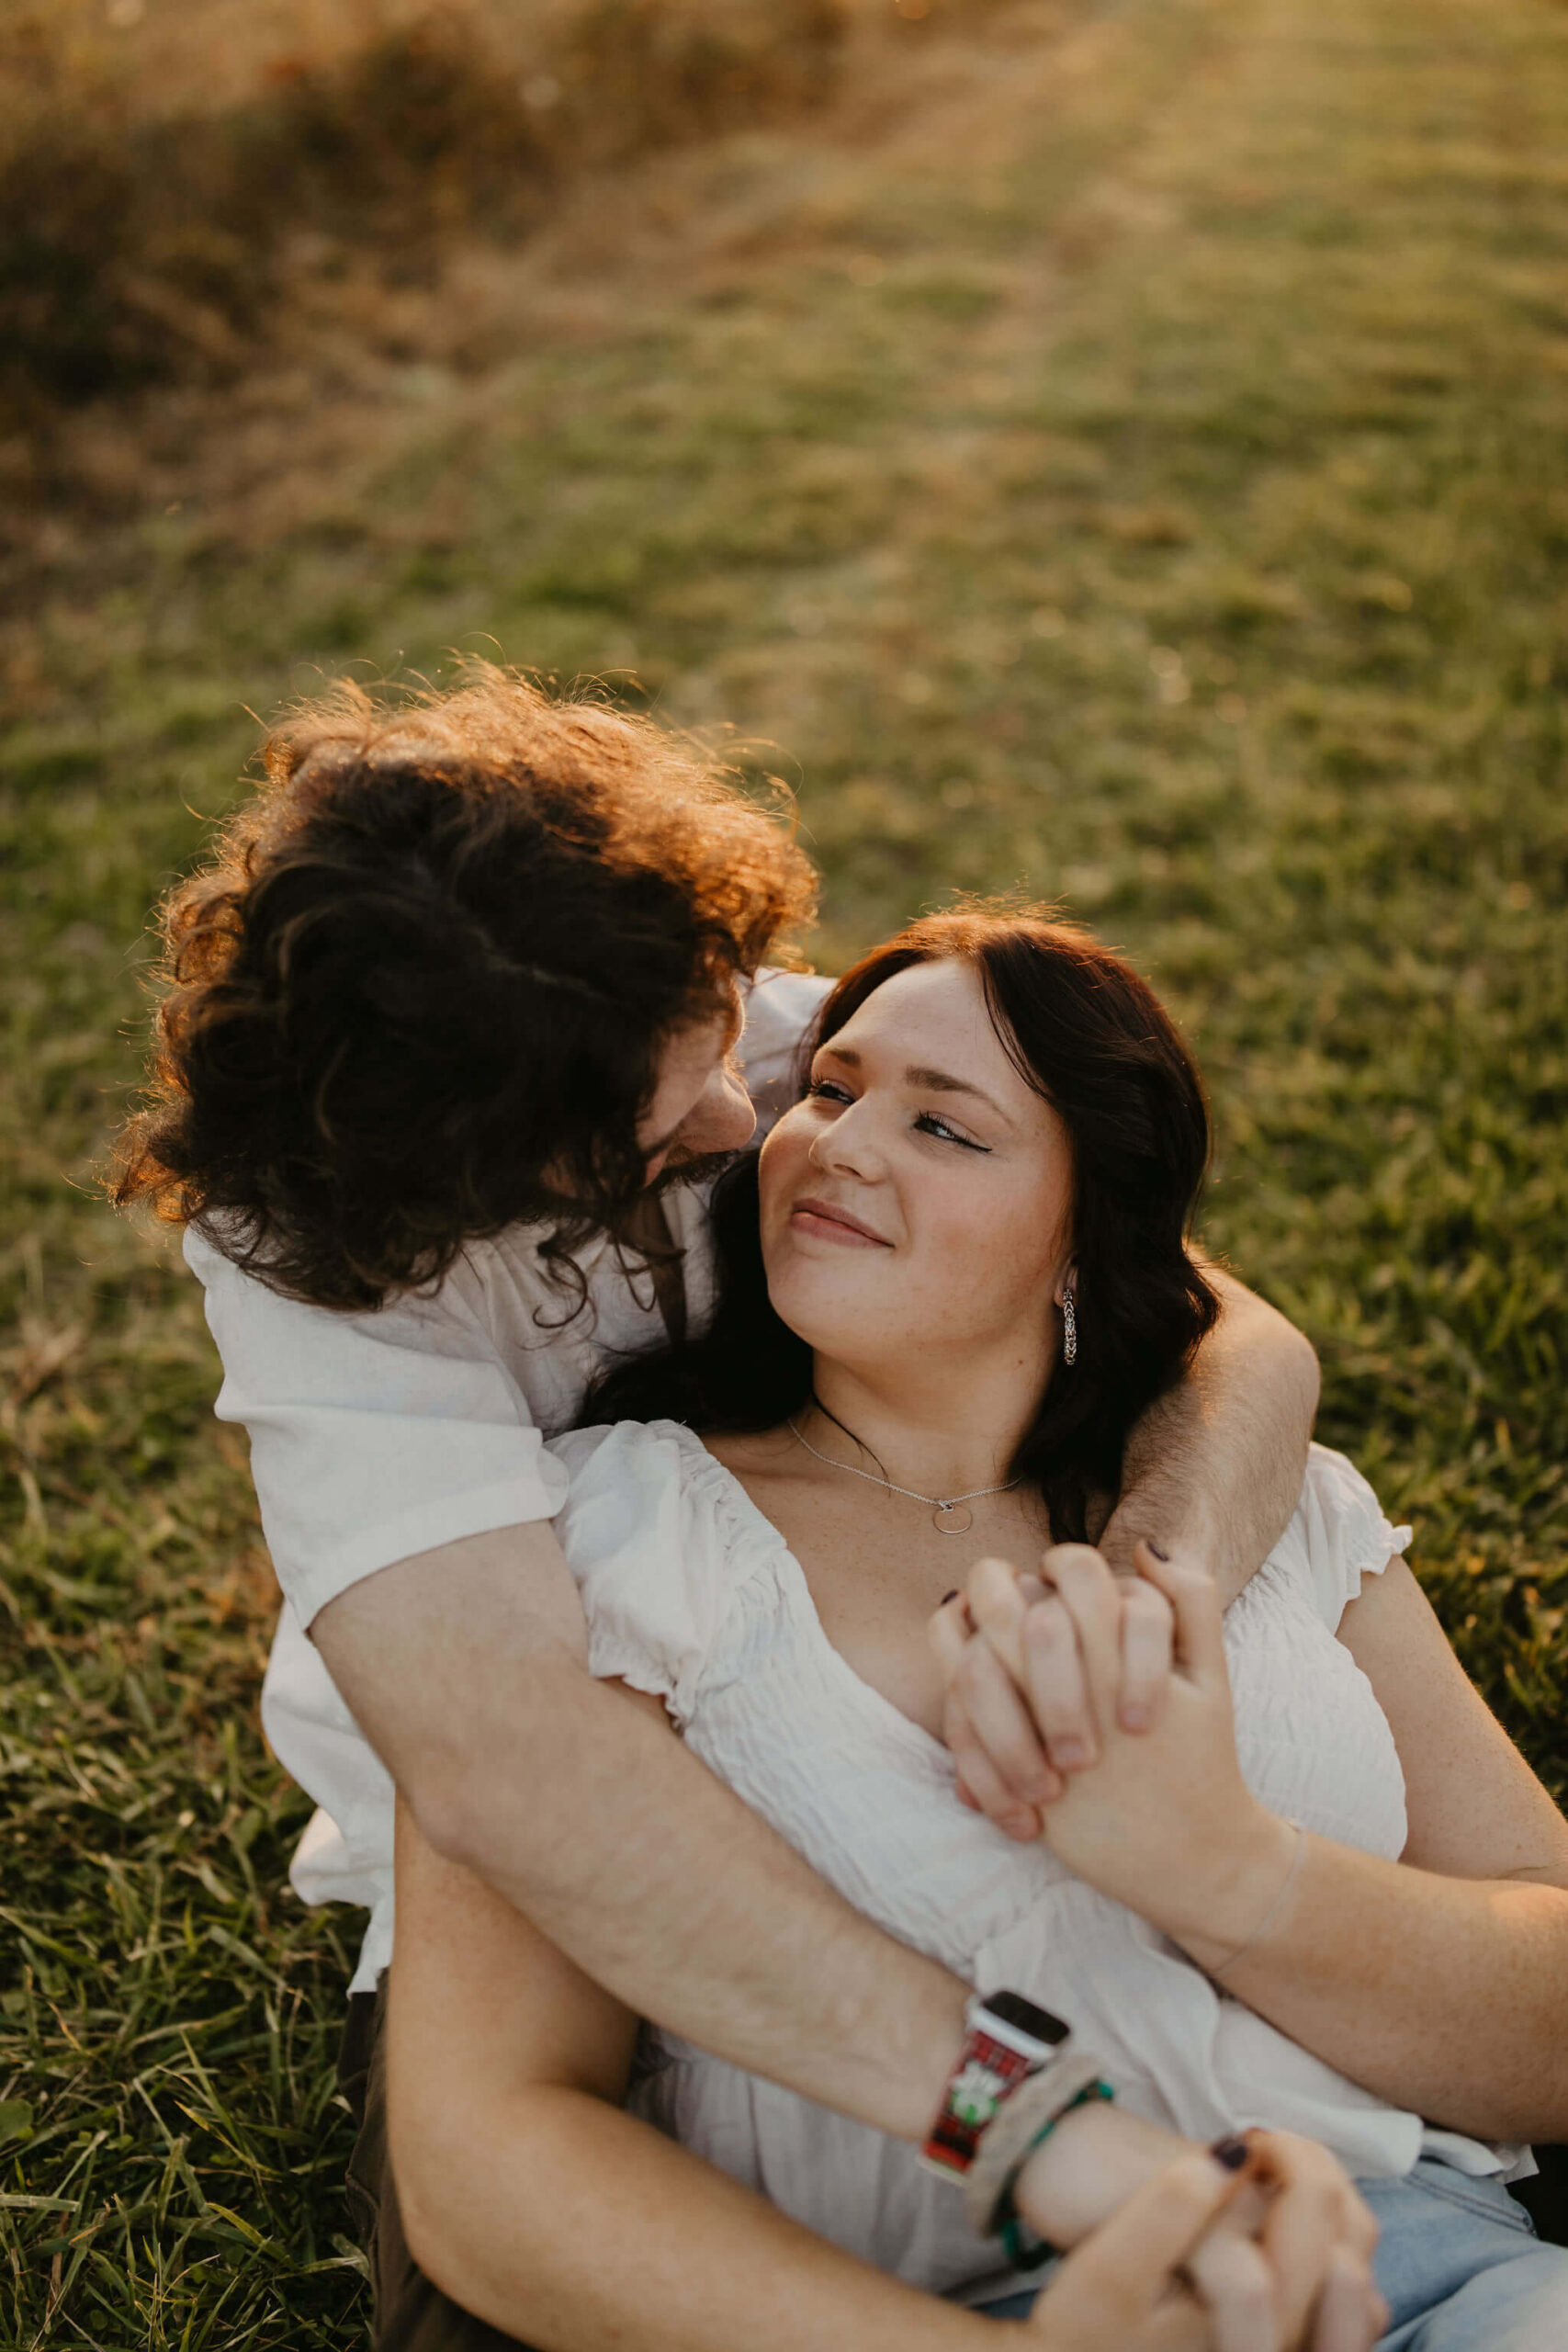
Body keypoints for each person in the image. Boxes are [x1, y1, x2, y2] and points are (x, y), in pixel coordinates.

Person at [113, 669, 1323, 2341]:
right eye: (651, 1129)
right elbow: (514, 1765)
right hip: (525, 1848)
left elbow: (1232, 1333)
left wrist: (1146, 1578)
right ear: (439, 1187)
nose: (744, 1111)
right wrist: (1027, 2124)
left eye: (729, 1036)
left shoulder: (725, 1022)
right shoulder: (316, 1264)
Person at [387, 909, 1568, 2350]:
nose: (841, 1142)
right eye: (829, 1089)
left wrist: (1232, 1871)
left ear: (1086, 1239)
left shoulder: (1277, 1505)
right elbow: (486, 2158)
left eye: (947, 1130)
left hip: (1437, 2279)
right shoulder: (604, 1536)